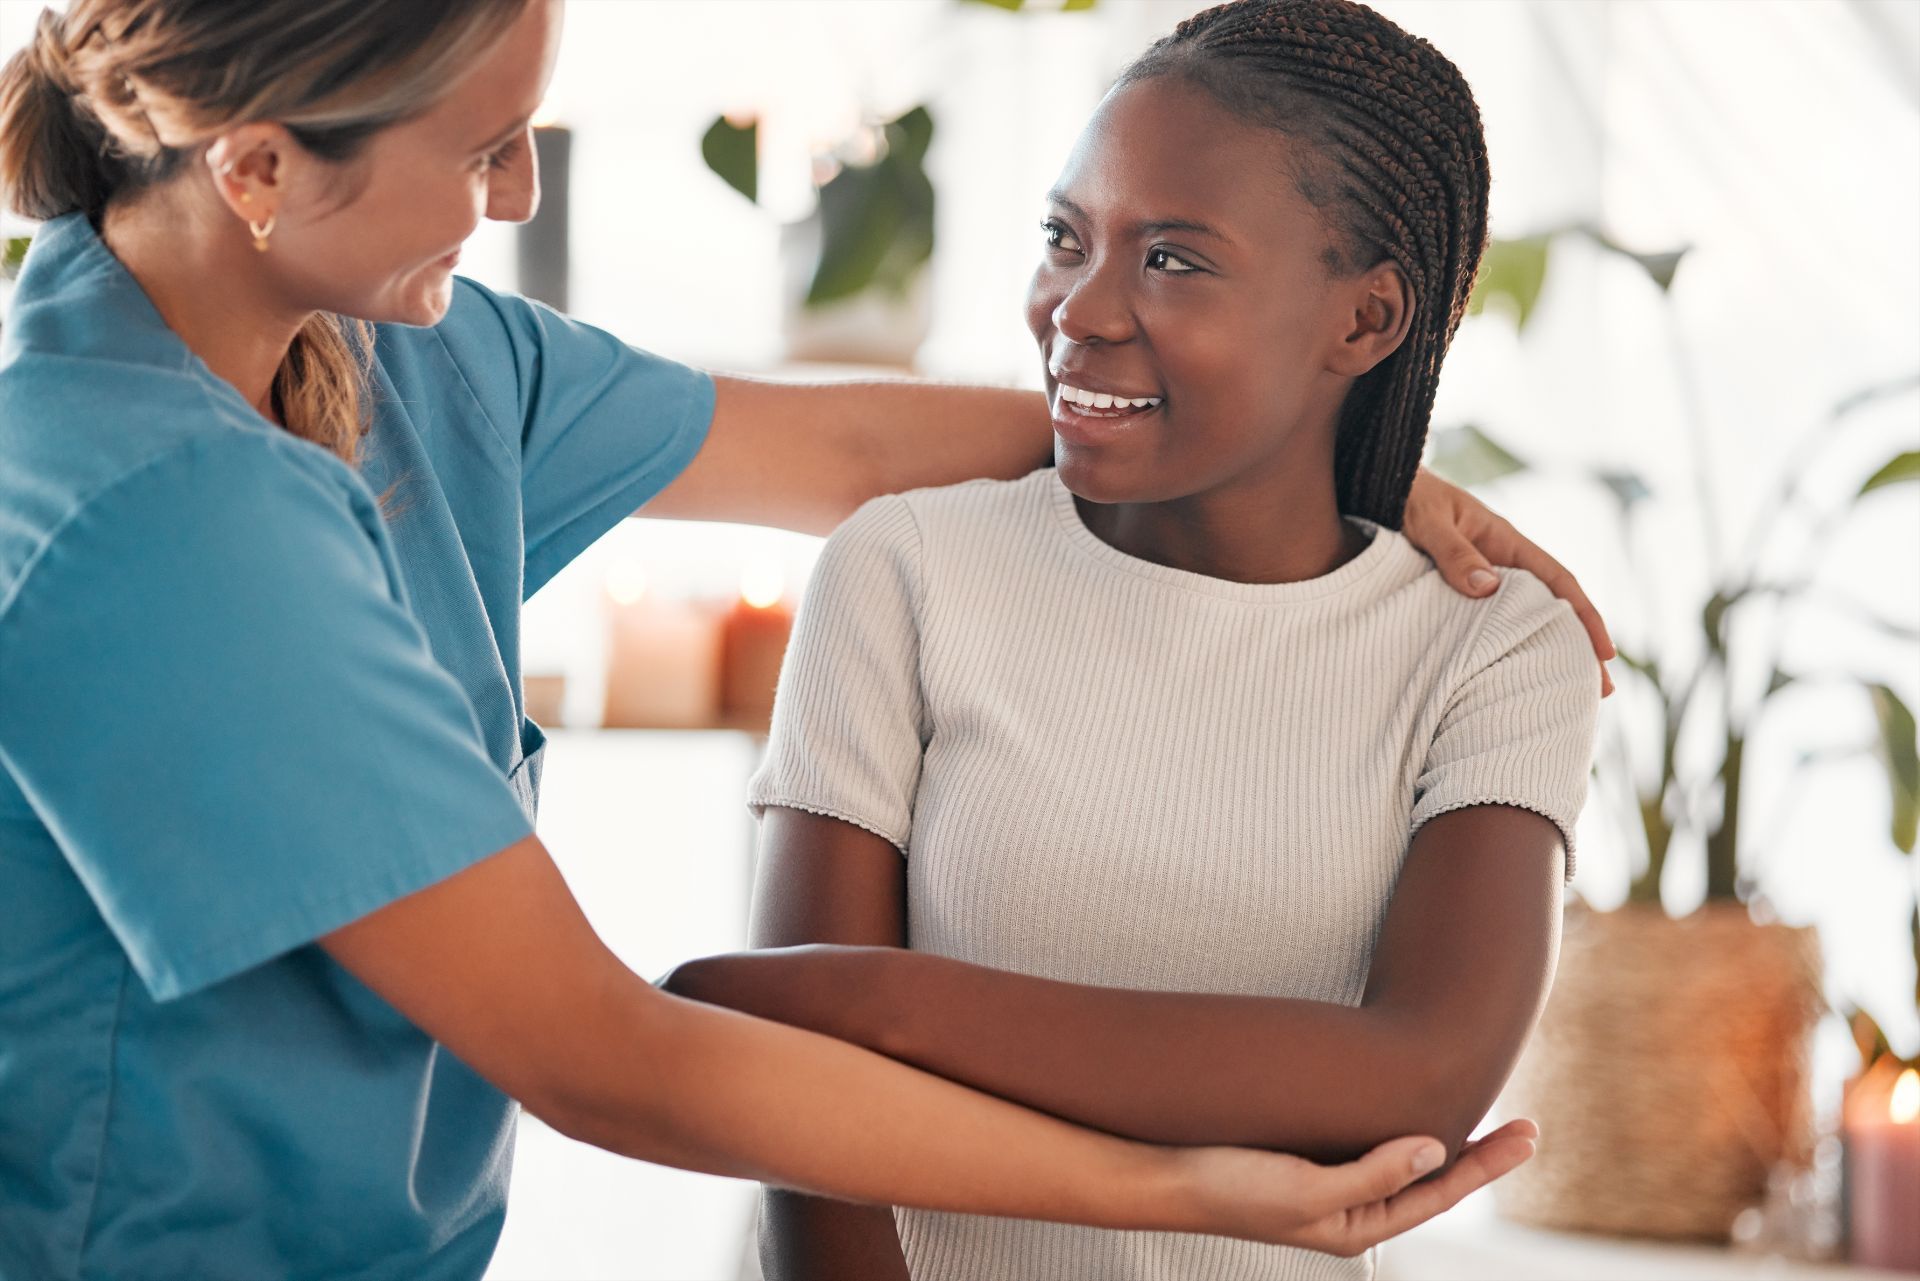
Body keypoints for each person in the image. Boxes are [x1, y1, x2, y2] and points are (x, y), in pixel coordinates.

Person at [0, 1, 1608, 1278]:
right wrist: (1171, 1186)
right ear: (261, 167)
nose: (522, 197)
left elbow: (838, 449)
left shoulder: (412, 356)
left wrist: (1334, 454)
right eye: (486, 148)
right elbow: (620, 1057)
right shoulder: (151, 514)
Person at [658, 2, 1602, 1279]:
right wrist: (839, 1027)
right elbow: (801, 1118)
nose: (1077, 309)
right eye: (1065, 237)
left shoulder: (1491, 650)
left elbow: (1419, 1080)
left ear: (1367, 321)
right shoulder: (909, 569)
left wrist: (878, 1006)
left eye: (1172, 259)